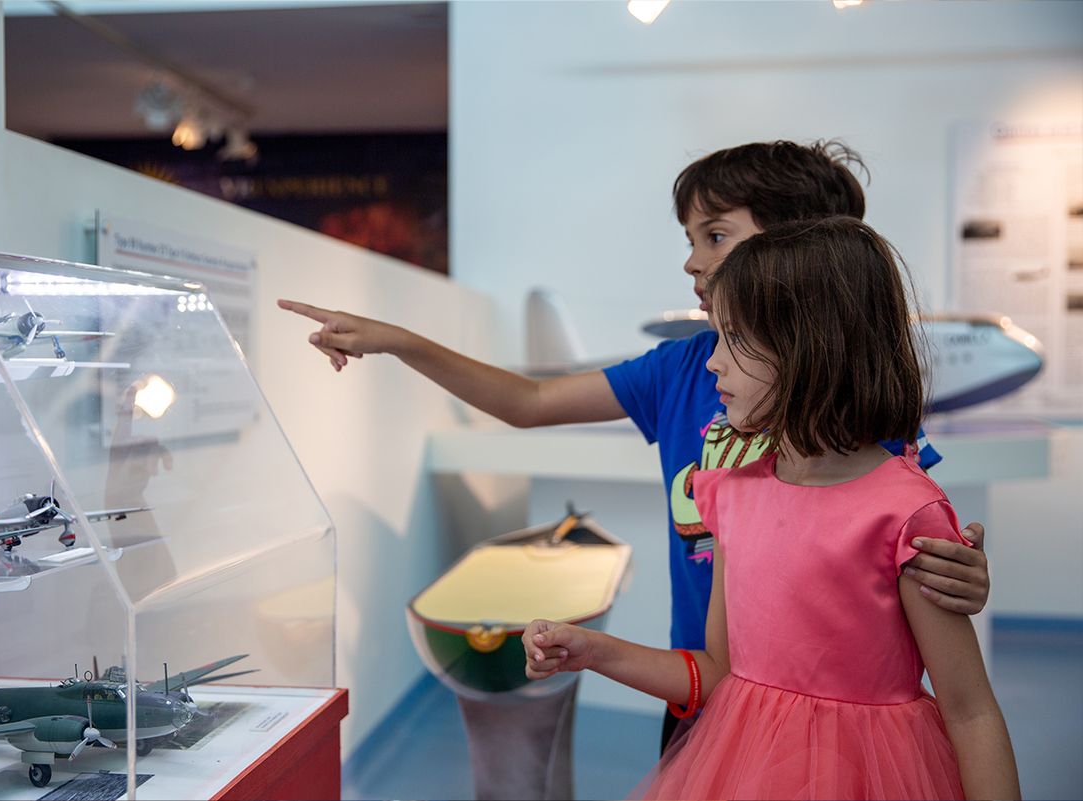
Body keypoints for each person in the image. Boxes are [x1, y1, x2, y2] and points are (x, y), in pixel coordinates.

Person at [277, 140, 991, 751]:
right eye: (689, 238)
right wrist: (401, 342)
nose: (690, 261)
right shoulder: (683, 366)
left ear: (796, 247)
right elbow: (527, 402)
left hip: (832, 707)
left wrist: (963, 570)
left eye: (713, 235)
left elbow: (911, 535)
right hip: (701, 677)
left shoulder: (853, 407)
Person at [522, 216, 1019, 799]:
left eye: (733, 340)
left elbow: (970, 712)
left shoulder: (906, 514)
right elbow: (717, 674)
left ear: (808, 349)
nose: (713, 363)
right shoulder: (731, 494)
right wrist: (594, 651)